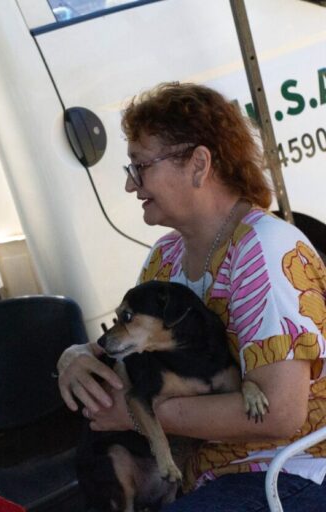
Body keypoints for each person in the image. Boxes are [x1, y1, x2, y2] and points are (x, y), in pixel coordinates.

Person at [57, 82, 326, 510]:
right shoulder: (165, 257)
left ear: (199, 164)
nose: (131, 186)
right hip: (204, 477)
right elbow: (136, 351)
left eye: (139, 167)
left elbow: (279, 414)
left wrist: (137, 417)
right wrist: (74, 357)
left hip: (285, 476)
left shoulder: (266, 251)